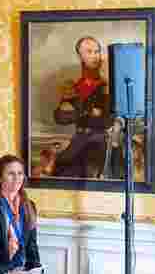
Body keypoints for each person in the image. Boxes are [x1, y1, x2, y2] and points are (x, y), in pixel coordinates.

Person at [40, 36, 113, 178]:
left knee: (88, 171)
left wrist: (79, 111)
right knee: (60, 171)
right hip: (79, 140)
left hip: (99, 143)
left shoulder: (108, 85)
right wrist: (86, 111)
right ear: (80, 56)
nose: (95, 56)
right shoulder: (77, 86)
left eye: (97, 51)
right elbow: (61, 118)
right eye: (89, 52)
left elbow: (107, 121)